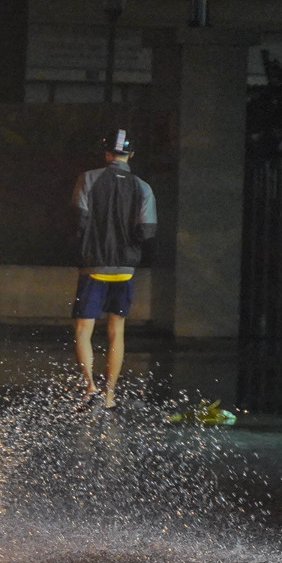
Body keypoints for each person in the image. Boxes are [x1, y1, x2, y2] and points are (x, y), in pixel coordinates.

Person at [70, 128, 157, 410]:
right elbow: (147, 230)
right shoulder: (142, 187)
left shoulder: (88, 179)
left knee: (84, 329)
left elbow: (78, 220)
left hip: (93, 264)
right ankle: (109, 395)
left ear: (107, 153)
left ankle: (90, 388)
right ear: (131, 155)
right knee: (116, 330)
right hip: (124, 268)